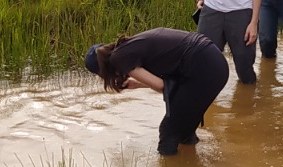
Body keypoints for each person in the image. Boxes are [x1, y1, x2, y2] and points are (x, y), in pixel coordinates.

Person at [84, 28, 229, 156]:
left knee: (168, 131)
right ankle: (190, 166)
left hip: (203, 69)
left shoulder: (119, 59)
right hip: (213, 62)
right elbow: (168, 79)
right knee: (184, 128)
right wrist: (137, 84)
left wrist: (140, 83)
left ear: (102, 70)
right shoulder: (128, 48)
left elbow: (161, 86)